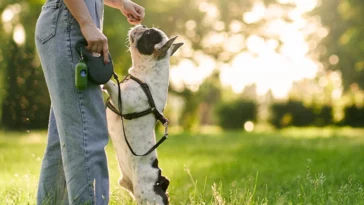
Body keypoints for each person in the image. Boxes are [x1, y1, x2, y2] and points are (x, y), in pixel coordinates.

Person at [35, 0, 144, 204]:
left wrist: (121, 3)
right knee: (87, 133)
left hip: (67, 23)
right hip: (70, 25)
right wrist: (86, 23)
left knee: (64, 141)